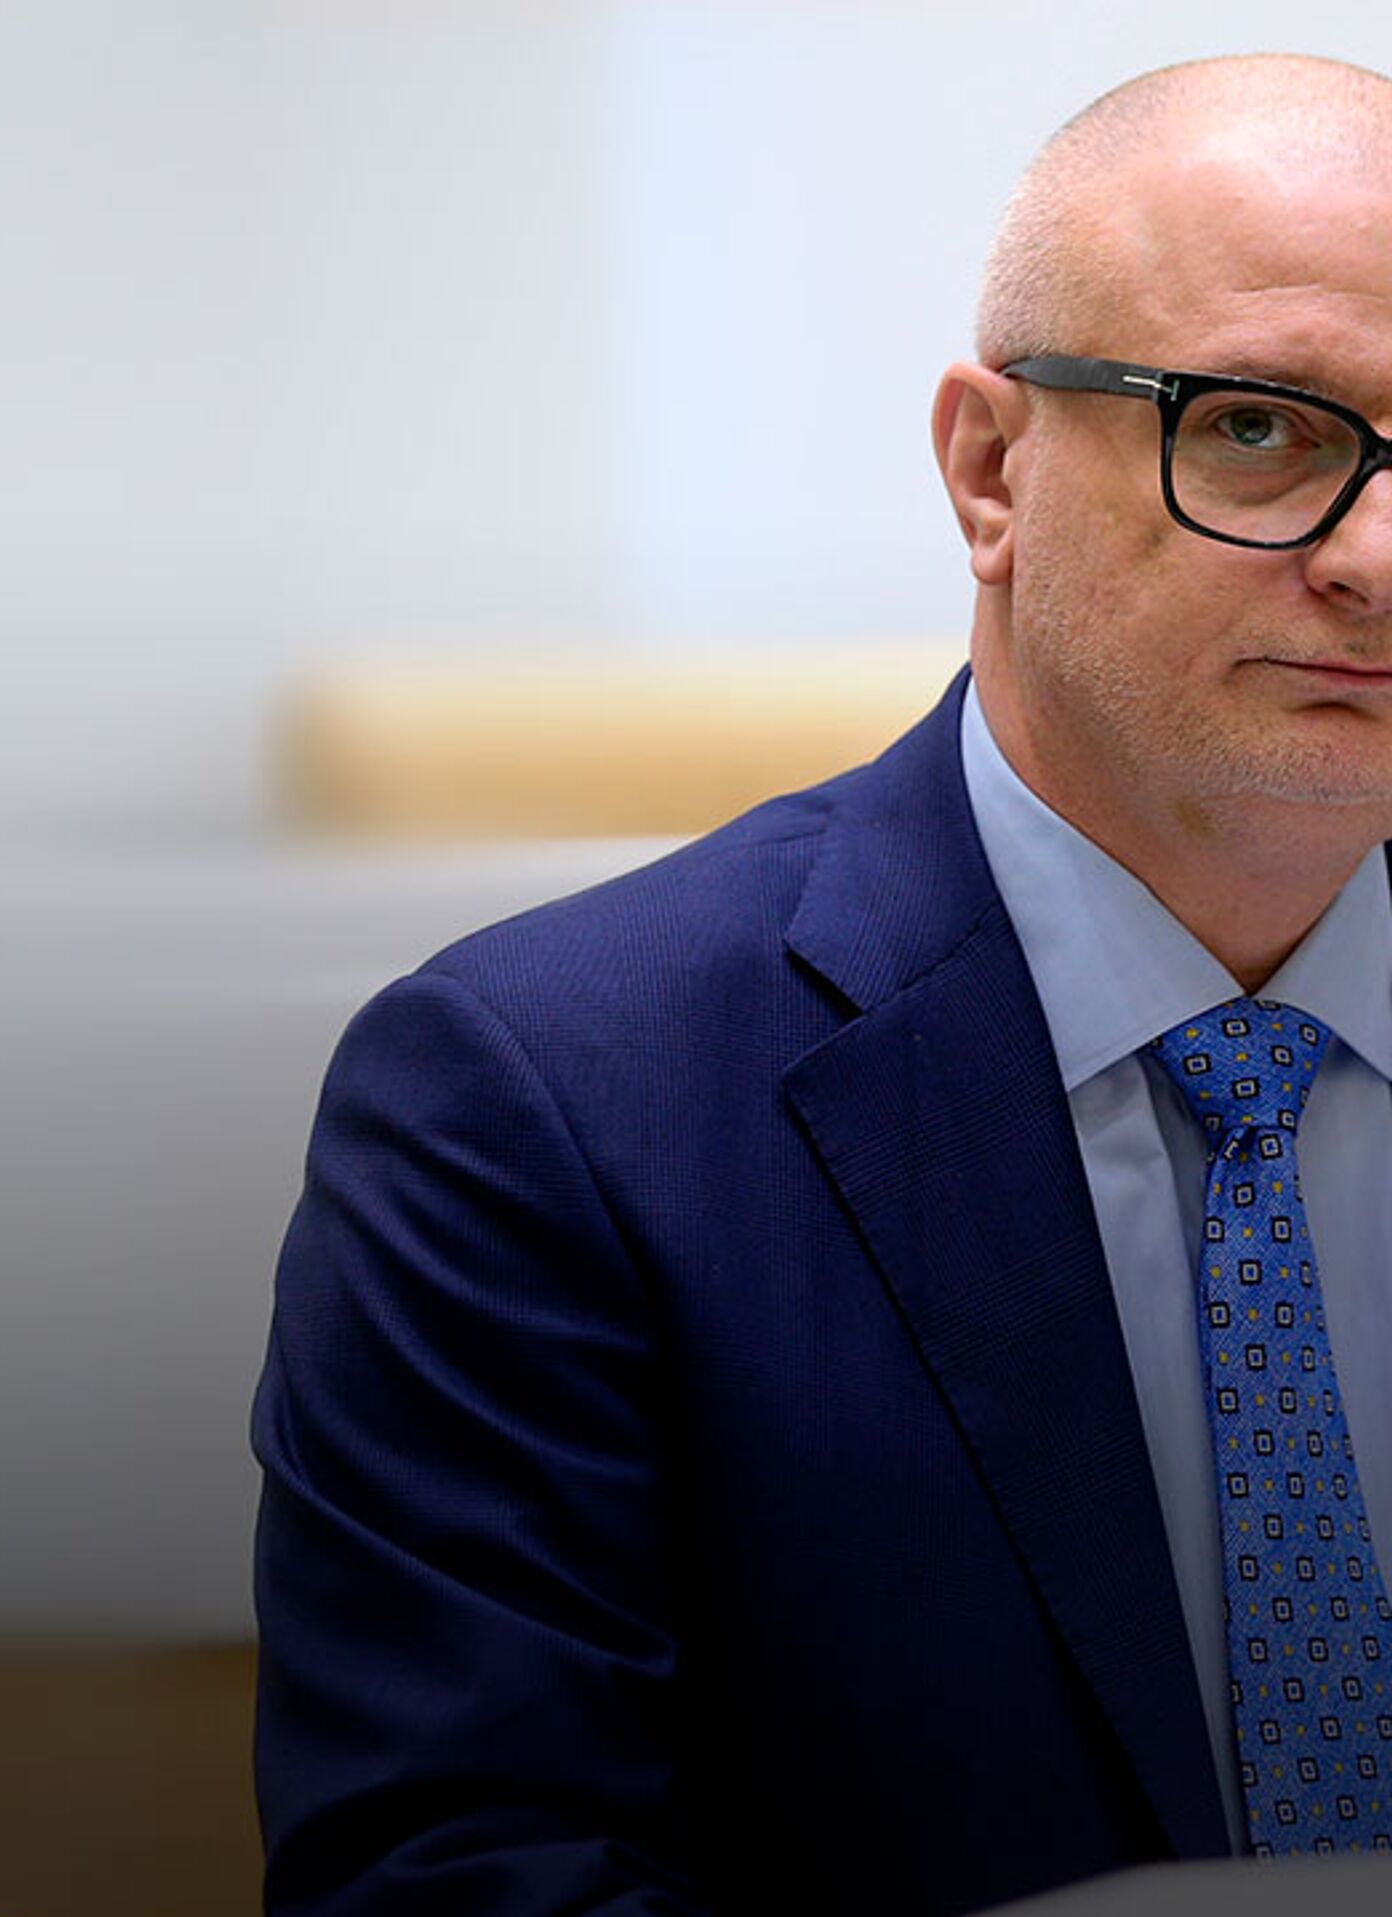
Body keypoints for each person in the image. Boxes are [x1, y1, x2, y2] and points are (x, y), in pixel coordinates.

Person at [252, 53, 1392, 1915]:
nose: (1376, 560)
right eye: (1258, 428)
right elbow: (473, 1877)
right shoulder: (537, 1105)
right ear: (991, 470)